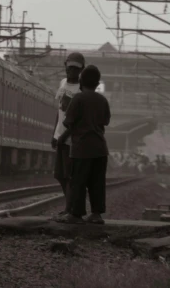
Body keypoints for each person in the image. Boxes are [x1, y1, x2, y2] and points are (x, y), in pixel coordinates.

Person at [58, 65, 112, 225]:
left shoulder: (78, 99)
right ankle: (96, 214)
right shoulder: (102, 100)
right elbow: (106, 121)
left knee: (78, 182)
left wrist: (61, 138)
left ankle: (76, 214)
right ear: (97, 84)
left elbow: (70, 123)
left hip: (81, 148)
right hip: (100, 149)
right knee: (97, 183)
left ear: (81, 81)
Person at [51, 52, 85, 215]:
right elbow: (59, 111)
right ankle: (69, 206)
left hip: (72, 140)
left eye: (76, 69)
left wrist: (63, 136)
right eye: (70, 67)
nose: (72, 71)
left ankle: (69, 208)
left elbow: (77, 118)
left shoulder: (82, 89)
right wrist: (55, 133)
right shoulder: (63, 83)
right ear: (65, 66)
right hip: (60, 137)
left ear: (81, 70)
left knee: (70, 176)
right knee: (60, 175)